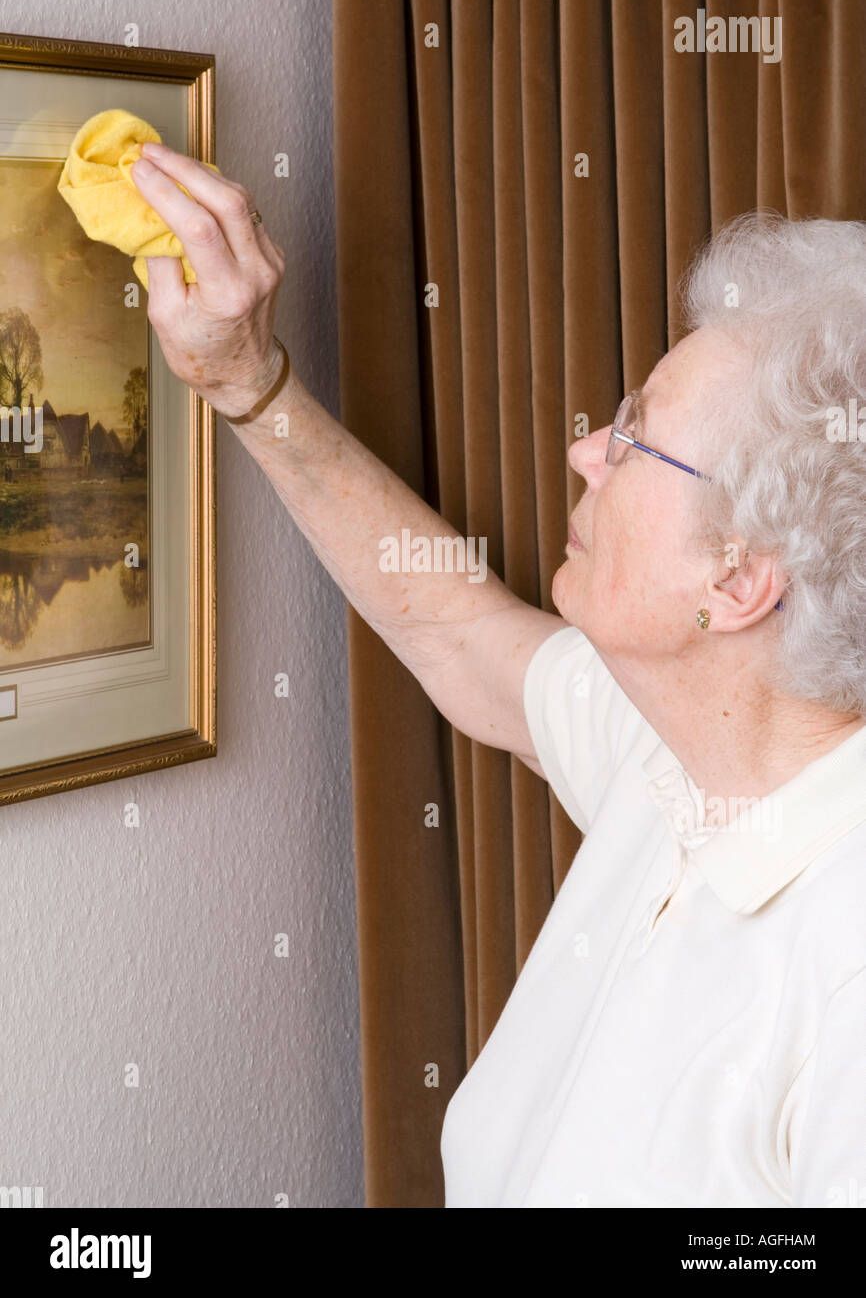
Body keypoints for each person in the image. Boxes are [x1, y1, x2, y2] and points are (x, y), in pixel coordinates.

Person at [131, 147, 866, 1208]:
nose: (584, 451)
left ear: (740, 576)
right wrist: (248, 384)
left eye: (634, 439)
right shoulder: (677, 747)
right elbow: (458, 634)